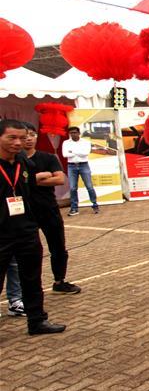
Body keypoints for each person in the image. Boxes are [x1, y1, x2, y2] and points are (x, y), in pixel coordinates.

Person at [0, 120, 67, 335]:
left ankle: (37, 321)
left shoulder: (22, 162)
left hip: (26, 230)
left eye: (22, 137)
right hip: (1, 232)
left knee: (32, 278)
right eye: (12, 138)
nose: (19, 142)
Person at [21, 123, 79, 293]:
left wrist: (30, 180)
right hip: (25, 212)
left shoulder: (47, 158)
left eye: (32, 134)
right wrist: (40, 176)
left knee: (58, 247)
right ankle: (29, 289)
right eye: (25, 136)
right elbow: (17, 182)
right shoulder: (16, 160)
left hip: (48, 208)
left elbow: (59, 180)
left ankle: (59, 281)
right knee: (29, 252)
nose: (28, 139)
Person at [62, 126, 99, 215]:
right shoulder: (66, 142)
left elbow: (86, 153)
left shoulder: (85, 142)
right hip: (71, 166)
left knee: (89, 186)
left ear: (79, 133)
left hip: (83, 165)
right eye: (71, 133)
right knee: (73, 188)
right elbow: (65, 154)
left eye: (75, 132)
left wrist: (72, 152)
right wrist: (78, 152)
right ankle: (74, 208)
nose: (73, 134)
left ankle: (95, 204)